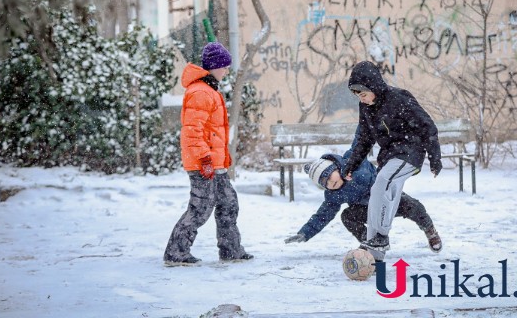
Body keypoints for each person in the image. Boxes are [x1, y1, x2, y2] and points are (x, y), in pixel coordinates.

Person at [163, 42, 253, 266]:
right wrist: (205, 159)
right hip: (203, 163)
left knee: (228, 203)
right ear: (214, 66)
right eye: (224, 66)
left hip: (214, 163)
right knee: (201, 208)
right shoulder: (200, 92)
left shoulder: (208, 90)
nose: (226, 71)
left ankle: (231, 249)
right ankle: (176, 252)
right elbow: (192, 133)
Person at [343, 61, 442, 258]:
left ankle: (380, 236)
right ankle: (374, 255)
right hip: (389, 157)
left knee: (383, 182)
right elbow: (364, 139)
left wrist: (434, 157)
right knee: (379, 197)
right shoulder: (366, 108)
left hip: (410, 152)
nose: (361, 100)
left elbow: (427, 125)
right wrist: (351, 165)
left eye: (363, 94)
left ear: (374, 87)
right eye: (357, 96)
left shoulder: (399, 98)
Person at [283, 150, 442, 257]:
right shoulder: (334, 194)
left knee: (414, 206)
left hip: (385, 197)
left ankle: (430, 230)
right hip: (366, 209)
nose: (329, 183)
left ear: (336, 168)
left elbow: (362, 142)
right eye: (323, 183)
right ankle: (369, 241)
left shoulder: (354, 162)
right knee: (347, 216)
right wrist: (304, 233)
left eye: (328, 176)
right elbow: (322, 216)